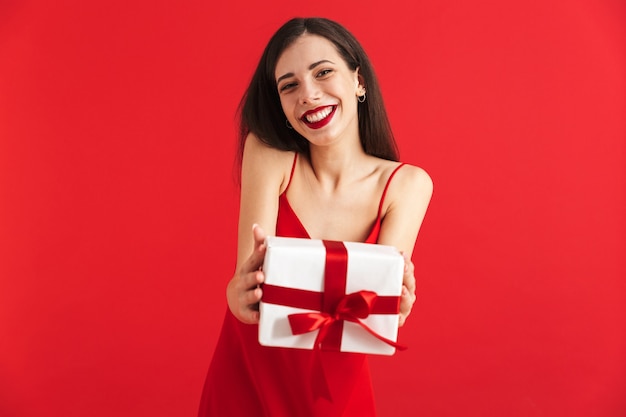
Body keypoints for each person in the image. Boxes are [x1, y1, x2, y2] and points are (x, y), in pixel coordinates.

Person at [198, 17, 432, 417]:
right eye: (289, 85)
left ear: (358, 81)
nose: (308, 94)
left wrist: (395, 308)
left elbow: (373, 316)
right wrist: (237, 296)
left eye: (323, 72)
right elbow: (247, 282)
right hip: (247, 380)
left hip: (336, 393)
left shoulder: (406, 185)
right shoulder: (269, 156)